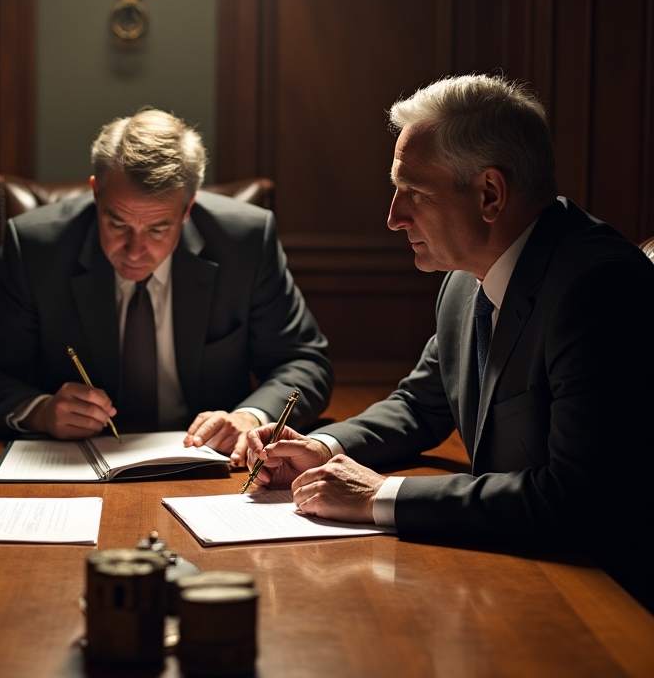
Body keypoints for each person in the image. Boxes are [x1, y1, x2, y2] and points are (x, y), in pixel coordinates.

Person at [246, 75, 654, 610]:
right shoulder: (466, 279)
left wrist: (380, 496)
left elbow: (577, 500)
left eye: (413, 192)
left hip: (604, 597)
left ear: (489, 193)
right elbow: (421, 403)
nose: (393, 217)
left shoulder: (597, 288)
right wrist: (324, 448)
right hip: (511, 569)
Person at [0, 109, 332, 462]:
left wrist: (252, 416)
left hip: (210, 465)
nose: (135, 251)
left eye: (157, 228)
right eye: (117, 224)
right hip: (73, 467)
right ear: (96, 192)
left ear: (188, 208)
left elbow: (304, 361)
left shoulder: (245, 241)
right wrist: (41, 411)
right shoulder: (37, 248)